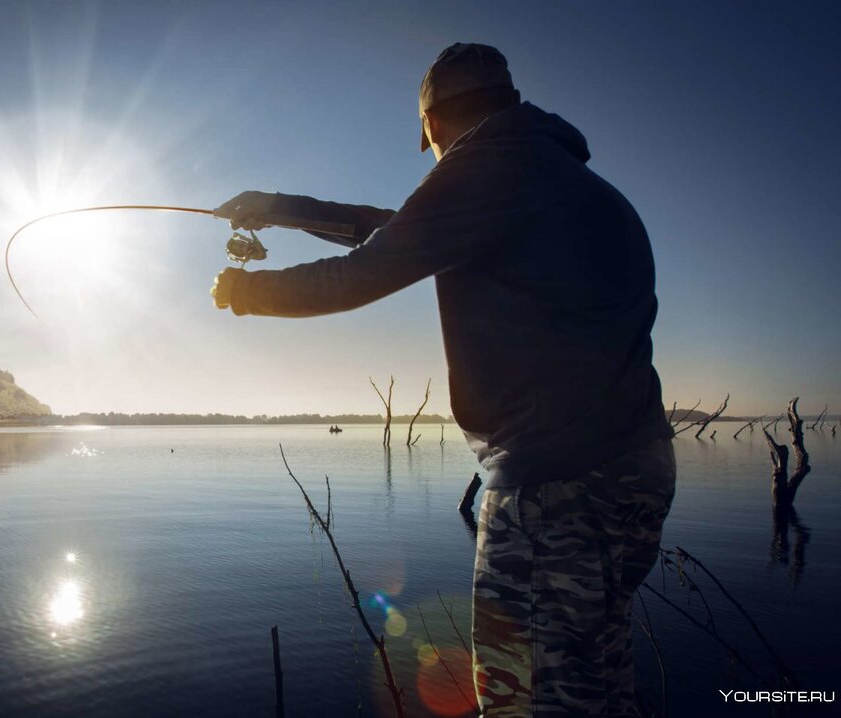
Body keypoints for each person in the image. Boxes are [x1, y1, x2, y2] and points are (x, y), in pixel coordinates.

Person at [210, 43, 676, 717]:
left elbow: (366, 268)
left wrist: (245, 293)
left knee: (527, 700)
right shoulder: (557, 179)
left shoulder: (487, 168)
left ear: (430, 125)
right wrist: (280, 207)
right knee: (594, 680)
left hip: (554, 482)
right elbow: (405, 229)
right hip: (634, 471)